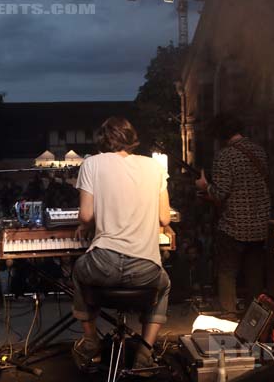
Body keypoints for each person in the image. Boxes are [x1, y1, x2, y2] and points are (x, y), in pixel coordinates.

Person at [71, 116, 171, 372]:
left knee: (79, 271)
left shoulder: (92, 163)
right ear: (132, 139)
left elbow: (85, 216)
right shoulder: (154, 166)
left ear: (102, 140)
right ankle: (145, 352)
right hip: (145, 269)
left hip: (103, 264)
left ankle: (91, 339)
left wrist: (87, 225)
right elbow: (164, 217)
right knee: (165, 283)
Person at [195, 113, 270, 314]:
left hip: (234, 225)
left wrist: (204, 186)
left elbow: (220, 194)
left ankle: (228, 316)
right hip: (260, 226)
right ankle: (254, 319)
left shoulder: (225, 156)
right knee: (254, 275)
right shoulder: (259, 151)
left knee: (227, 272)